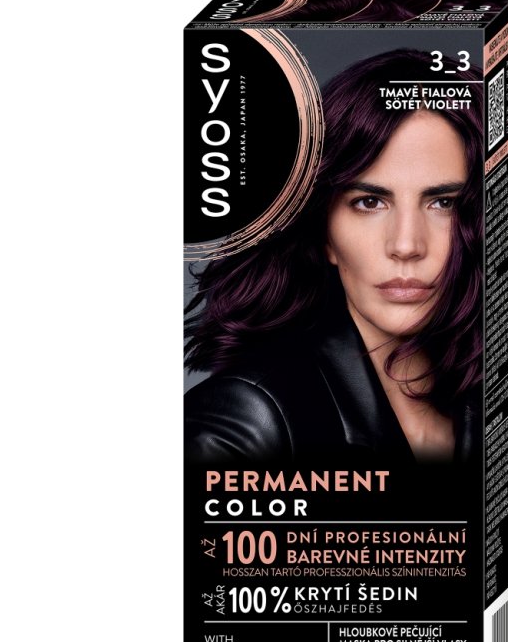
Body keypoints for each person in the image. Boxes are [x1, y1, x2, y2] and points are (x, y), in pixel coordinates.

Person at [184, 48, 484, 465]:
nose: (406, 245)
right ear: (323, 232)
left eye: (443, 203)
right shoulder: (247, 422)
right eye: (369, 202)